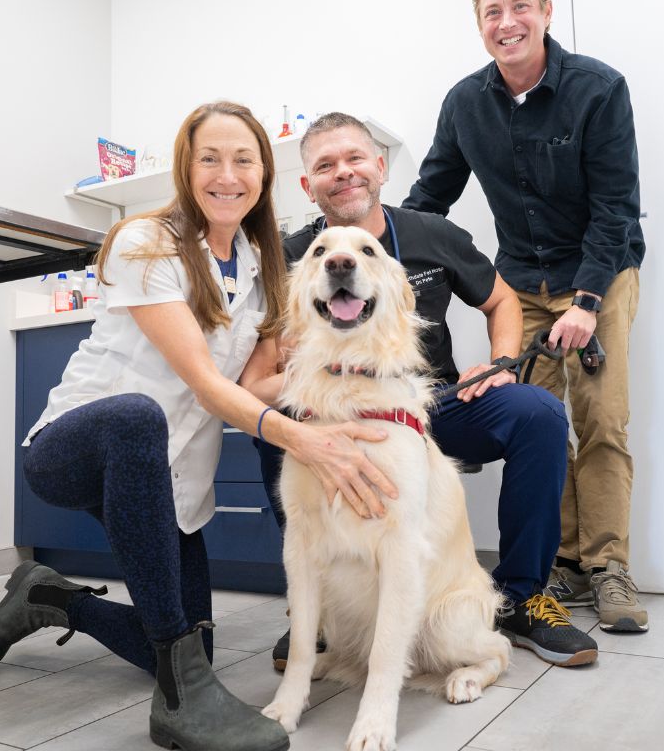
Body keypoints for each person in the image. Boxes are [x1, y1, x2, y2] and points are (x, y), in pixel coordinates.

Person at [0, 102, 399, 751]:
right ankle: (179, 706)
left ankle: (47, 599)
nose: (228, 175)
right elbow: (203, 380)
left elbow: (261, 380)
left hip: (168, 480)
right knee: (137, 420)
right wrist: (304, 439)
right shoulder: (150, 242)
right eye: (210, 159)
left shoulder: (264, 268)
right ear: (185, 169)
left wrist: (360, 374)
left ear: (263, 175)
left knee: (188, 642)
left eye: (244, 160)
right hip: (74, 448)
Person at [245, 113, 598, 668]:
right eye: (325, 166)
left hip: (435, 407)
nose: (343, 173)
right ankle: (317, 612)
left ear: (380, 167)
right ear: (306, 185)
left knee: (538, 412)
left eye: (355, 158)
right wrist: (307, 402)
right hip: (345, 415)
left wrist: (502, 362)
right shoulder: (290, 257)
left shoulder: (433, 233)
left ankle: (523, 596)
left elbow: (502, 300)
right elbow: (257, 382)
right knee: (279, 434)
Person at [402, 0, 648, 633]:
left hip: (601, 274)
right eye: (492, 13)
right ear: (480, 26)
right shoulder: (465, 103)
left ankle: (608, 569)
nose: (506, 23)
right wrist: (374, 249)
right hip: (522, 283)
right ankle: (563, 562)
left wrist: (587, 302)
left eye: (519, 8)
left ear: (544, 12)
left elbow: (616, 208)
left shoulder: (598, 89)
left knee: (602, 420)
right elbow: (430, 200)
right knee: (540, 419)